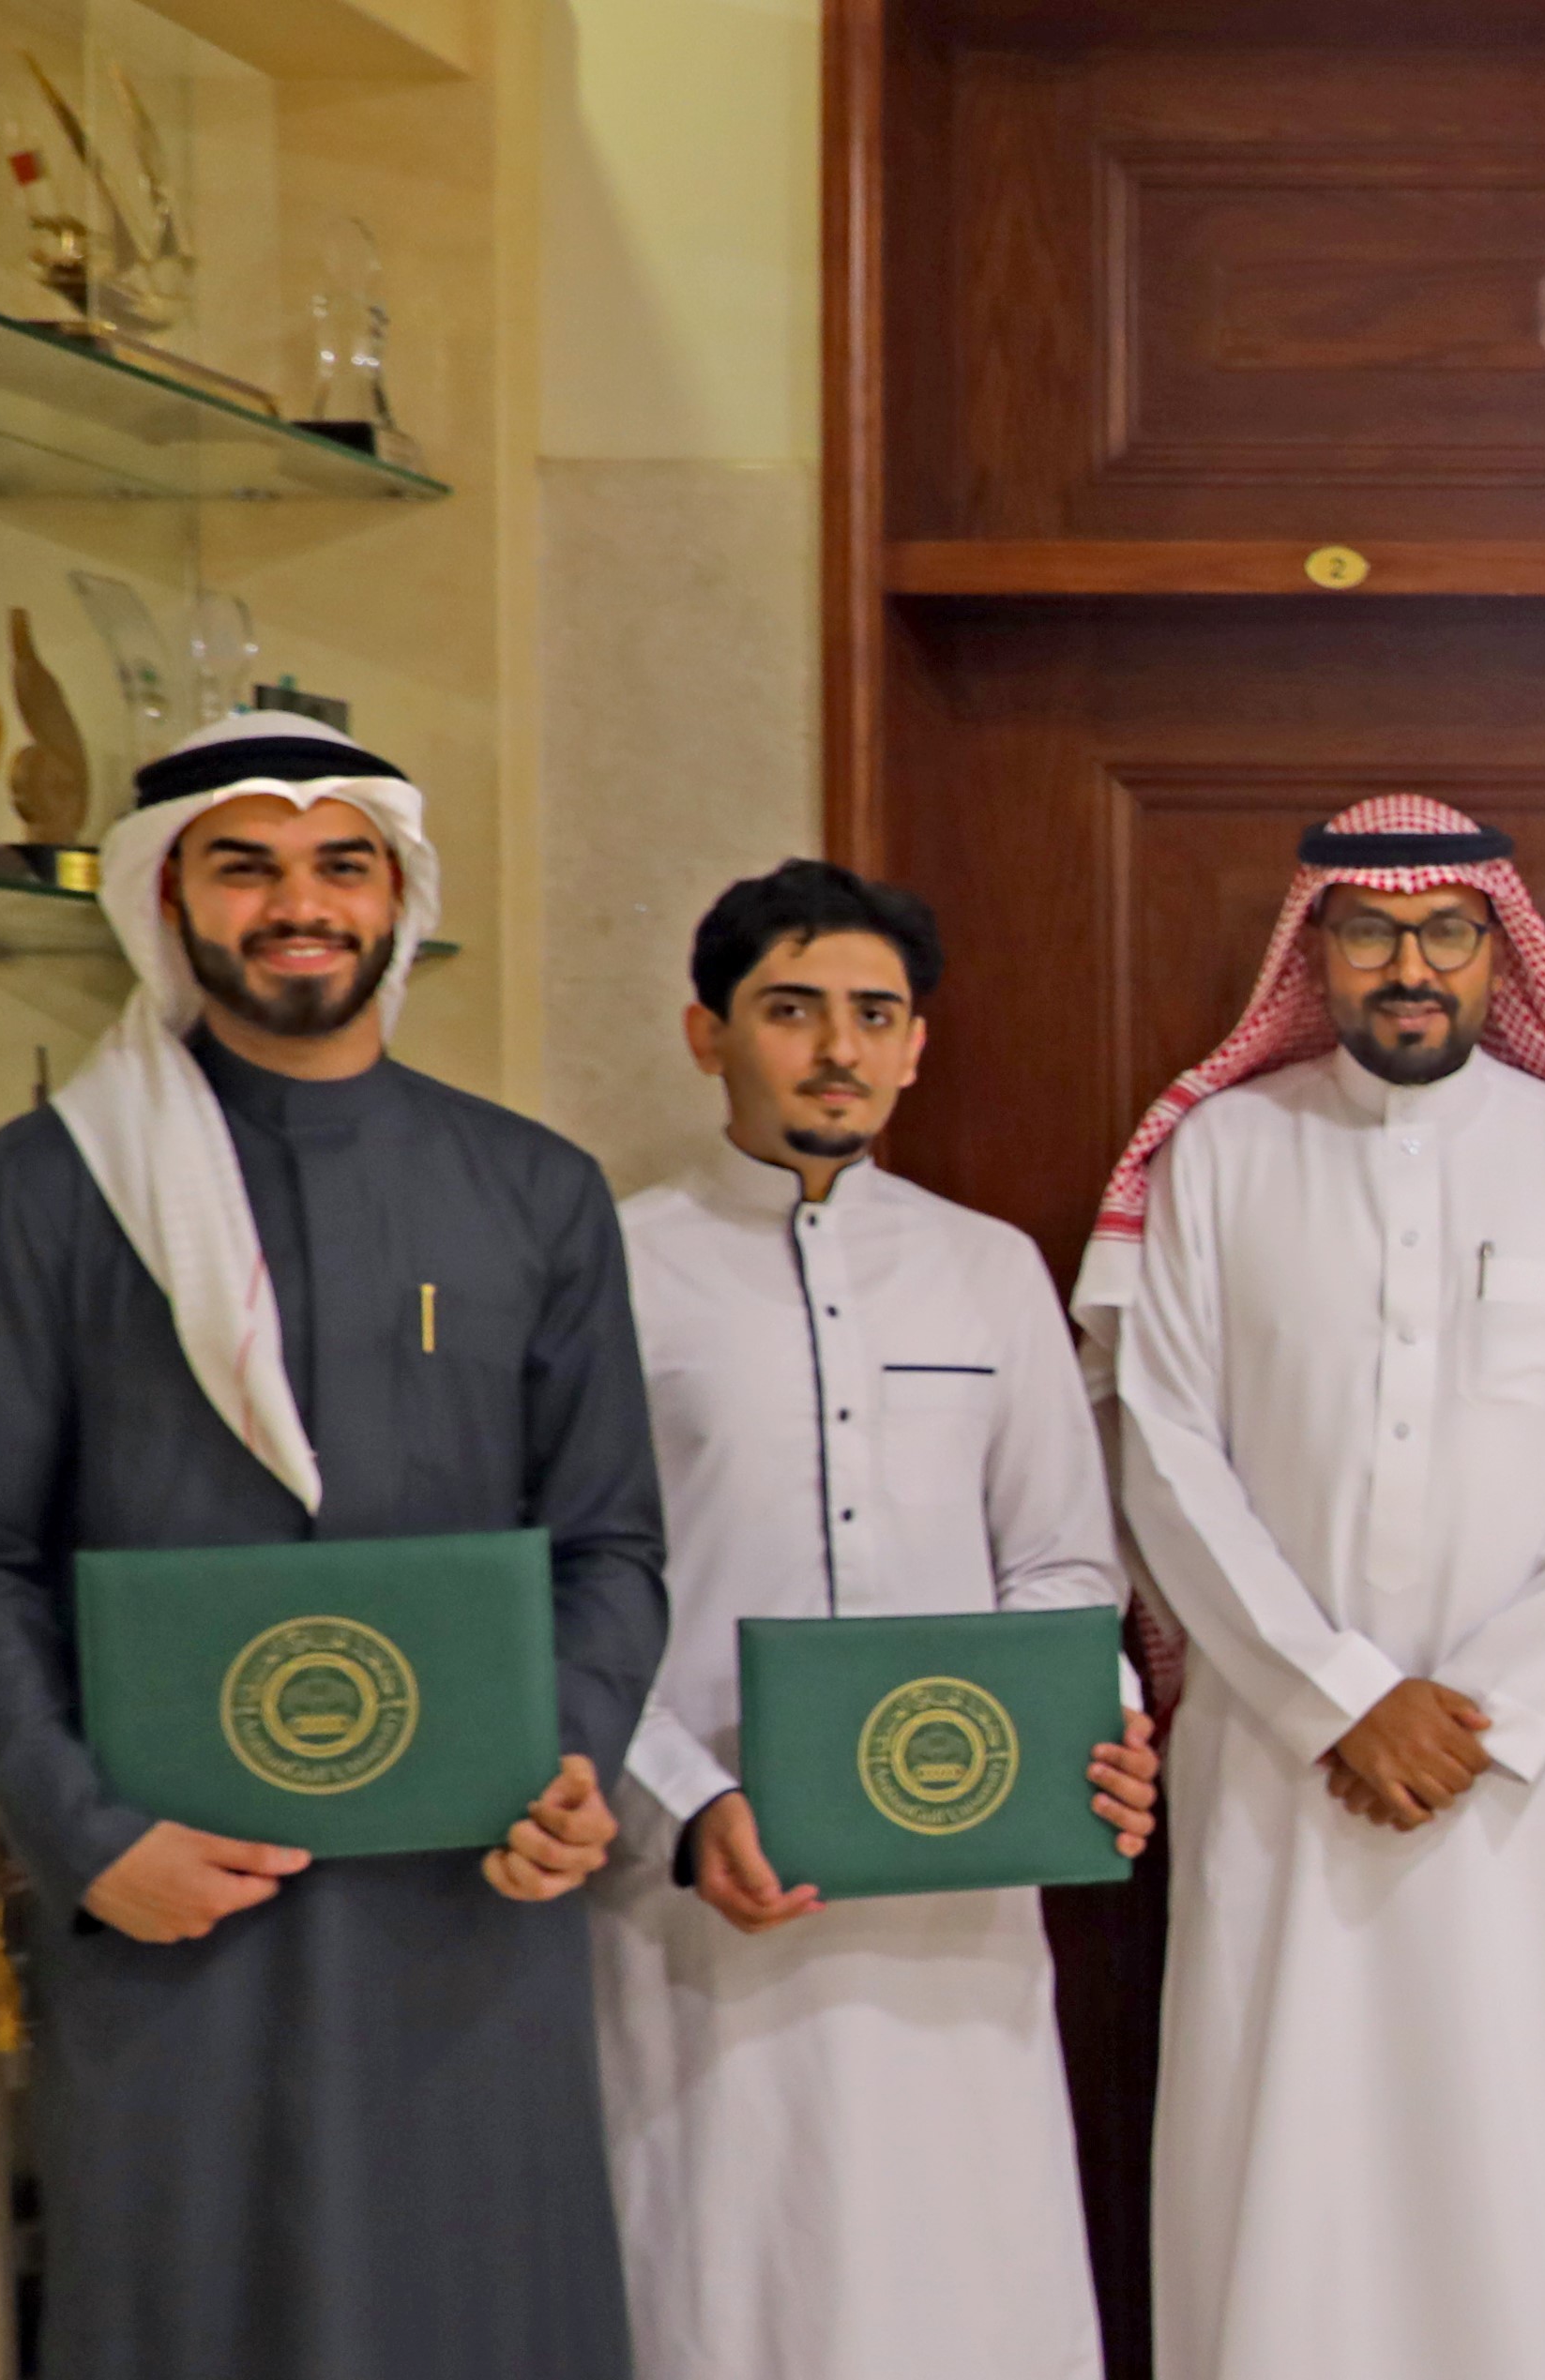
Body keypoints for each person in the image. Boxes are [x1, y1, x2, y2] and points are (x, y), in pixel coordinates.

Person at [0, 712, 665, 2376]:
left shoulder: (533, 1189)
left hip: (471, 1893)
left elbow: (607, 1541)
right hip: (177, 1909)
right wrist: (90, 1835)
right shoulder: (48, 1191)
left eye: (339, 865)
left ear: (398, 895)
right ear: (166, 899)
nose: (298, 904)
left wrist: (571, 1759)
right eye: (245, 866)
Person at [1085, 796, 1545, 2380]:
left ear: (1504, 954)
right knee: (1289, 2157)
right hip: (1288, 1761)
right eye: (1370, 932)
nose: (1409, 965)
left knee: (1540, 2153)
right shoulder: (1222, 1156)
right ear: (1316, 952)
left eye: (1447, 931)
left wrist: (1479, 1709)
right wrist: (1341, 1699)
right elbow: (1164, 1453)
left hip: (1534, 1776)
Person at [597, 861, 1165, 2380]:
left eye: (874, 1014)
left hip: (957, 1879)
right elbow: (573, 1591)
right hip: (708, 1885)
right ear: (707, 1033)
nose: (837, 1048)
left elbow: (1064, 1562)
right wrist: (684, 1807)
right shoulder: (611, 1267)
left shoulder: (988, 1268)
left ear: (918, 1044)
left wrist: (1091, 1729)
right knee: (728, 2273)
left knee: (960, 2271)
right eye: (792, 1010)